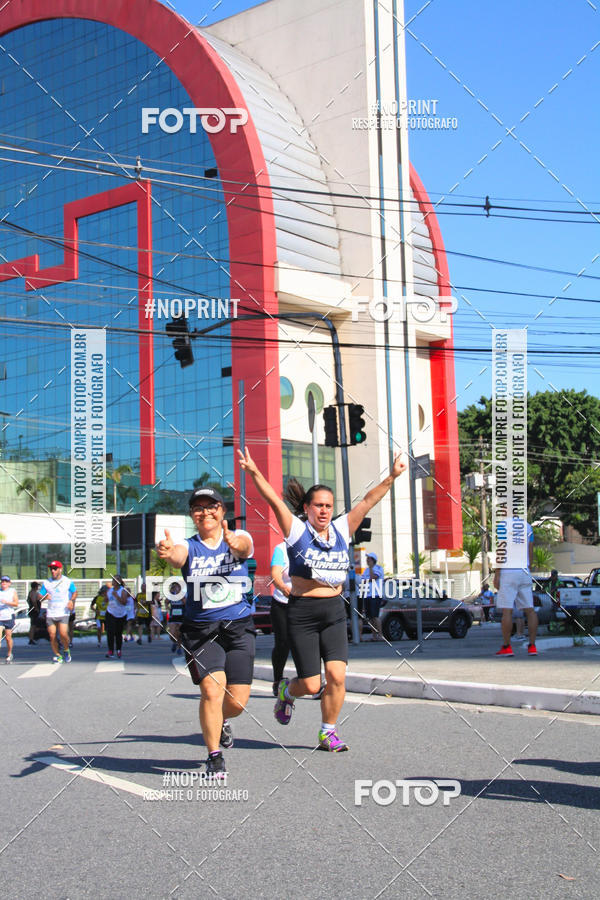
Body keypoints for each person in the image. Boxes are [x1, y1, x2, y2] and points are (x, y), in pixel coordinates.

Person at [239, 445, 406, 752]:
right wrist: (253, 472)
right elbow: (274, 500)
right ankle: (288, 691)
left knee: (337, 677)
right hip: (302, 611)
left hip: (333, 610)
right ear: (307, 507)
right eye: (318, 505)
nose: (325, 510)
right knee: (312, 684)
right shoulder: (296, 530)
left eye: (328, 505)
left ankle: (327, 732)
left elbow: (369, 500)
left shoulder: (342, 528)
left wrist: (392, 476)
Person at [156, 486, 255, 779]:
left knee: (236, 702)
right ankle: (214, 755)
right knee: (212, 689)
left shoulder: (239, 536)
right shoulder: (189, 545)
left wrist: (234, 542)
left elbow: (244, 549)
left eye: (211, 506)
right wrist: (169, 552)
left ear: (222, 511)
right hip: (201, 630)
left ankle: (221, 720)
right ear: (192, 516)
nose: (205, 512)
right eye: (198, 508)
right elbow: (177, 556)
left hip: (238, 627)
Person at [494, 520, 538, 657]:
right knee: (530, 610)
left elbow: (501, 551)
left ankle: (507, 646)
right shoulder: (528, 527)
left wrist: (497, 574)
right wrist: (528, 569)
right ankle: (532, 646)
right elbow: (530, 551)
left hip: (509, 572)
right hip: (524, 571)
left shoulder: (503, 526)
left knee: (507, 611)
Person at [39, 561, 77, 663]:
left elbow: (75, 592)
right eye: (51, 568)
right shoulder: (47, 582)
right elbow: (40, 596)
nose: (52, 571)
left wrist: (71, 601)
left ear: (60, 569)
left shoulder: (67, 581)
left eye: (55, 568)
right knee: (52, 635)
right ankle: (58, 655)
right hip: (51, 612)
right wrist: (44, 597)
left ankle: (66, 649)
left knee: (63, 633)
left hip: (63, 611)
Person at [270, 541, 292, 696]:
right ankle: (278, 679)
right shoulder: (281, 548)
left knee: (308, 643)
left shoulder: (312, 546)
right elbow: (275, 573)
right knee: (283, 643)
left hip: (307, 602)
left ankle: (313, 683)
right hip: (282, 602)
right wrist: (282, 587)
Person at [359, 553, 385, 641]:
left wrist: (370, 568)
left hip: (375, 594)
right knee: (369, 617)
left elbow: (373, 578)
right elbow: (362, 581)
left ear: (373, 560)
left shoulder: (378, 568)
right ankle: (374, 635)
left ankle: (380, 635)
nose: (367, 561)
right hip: (367, 595)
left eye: (369, 559)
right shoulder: (366, 570)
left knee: (375, 616)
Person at [104, 575, 129, 658]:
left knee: (118, 633)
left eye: (115, 580)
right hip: (110, 613)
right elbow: (106, 600)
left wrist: (116, 596)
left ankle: (118, 650)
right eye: (113, 579)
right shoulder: (109, 590)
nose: (113, 581)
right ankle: (110, 650)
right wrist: (105, 599)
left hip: (120, 614)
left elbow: (124, 602)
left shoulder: (123, 591)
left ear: (119, 582)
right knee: (110, 632)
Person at [0, 575, 19, 663]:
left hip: (8, 616)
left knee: (8, 637)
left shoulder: (12, 591)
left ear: (9, 583)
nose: (4, 583)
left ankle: (9, 653)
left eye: (6, 581)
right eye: (2, 581)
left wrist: (6, 602)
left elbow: (16, 603)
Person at [166, 582, 185, 654]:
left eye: (177, 587)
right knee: (172, 633)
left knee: (179, 633)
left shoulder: (183, 594)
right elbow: (166, 602)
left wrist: (179, 594)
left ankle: (179, 647)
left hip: (181, 616)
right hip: (173, 616)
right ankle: (174, 642)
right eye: (174, 587)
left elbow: (185, 602)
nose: (175, 588)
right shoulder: (171, 595)